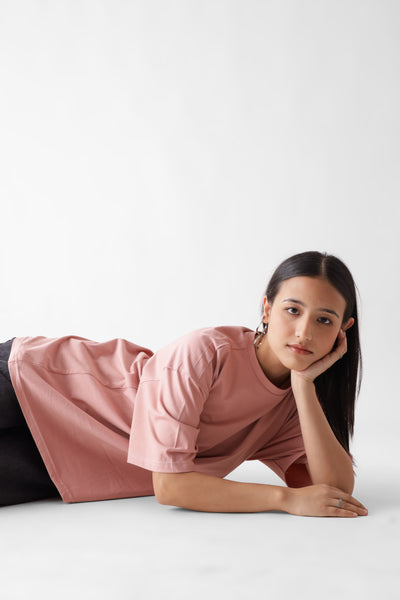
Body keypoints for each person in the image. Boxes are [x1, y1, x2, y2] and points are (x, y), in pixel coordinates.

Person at [0, 250, 368, 517]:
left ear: (342, 331)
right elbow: (172, 487)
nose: (303, 332)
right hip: (36, 381)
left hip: (69, 461)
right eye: (292, 310)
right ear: (267, 309)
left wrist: (303, 385)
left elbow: (330, 492)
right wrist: (282, 500)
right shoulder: (206, 353)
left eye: (323, 321)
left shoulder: (295, 408)